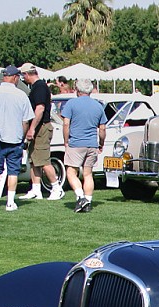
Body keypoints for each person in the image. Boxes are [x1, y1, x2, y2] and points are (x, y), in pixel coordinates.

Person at [0, 65, 33, 211]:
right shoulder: (21, 95)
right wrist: (22, 136)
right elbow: (26, 120)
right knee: (13, 171)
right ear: (15, 77)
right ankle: (10, 202)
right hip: (15, 138)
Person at [60, 78, 107, 213]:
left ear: (77, 90)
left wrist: (66, 140)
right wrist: (101, 143)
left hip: (76, 143)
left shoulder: (71, 104)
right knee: (88, 174)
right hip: (92, 144)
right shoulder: (98, 106)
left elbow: (66, 124)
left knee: (71, 172)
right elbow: (102, 128)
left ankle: (81, 197)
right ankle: (88, 200)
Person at [19, 62, 64, 201]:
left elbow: (40, 109)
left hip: (42, 127)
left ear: (27, 74)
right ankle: (36, 189)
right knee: (34, 160)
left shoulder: (39, 87)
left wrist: (31, 128)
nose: (23, 78)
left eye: (23, 75)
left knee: (44, 160)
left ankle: (57, 188)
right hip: (38, 127)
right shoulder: (36, 87)